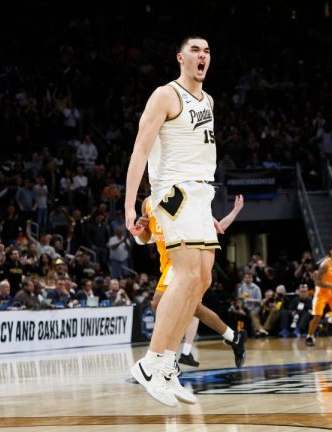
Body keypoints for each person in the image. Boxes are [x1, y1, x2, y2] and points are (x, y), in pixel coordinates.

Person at [125, 34, 221, 406]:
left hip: (200, 195)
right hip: (173, 193)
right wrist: (131, 205)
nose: (203, 56)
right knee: (183, 276)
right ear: (181, 58)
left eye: (207, 51)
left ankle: (167, 364)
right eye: (196, 50)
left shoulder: (209, 100)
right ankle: (150, 363)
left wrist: (206, 213)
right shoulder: (165, 95)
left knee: (203, 279)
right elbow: (140, 149)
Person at [135, 194, 246, 364]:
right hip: (167, 263)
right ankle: (234, 337)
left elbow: (215, 227)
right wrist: (139, 229)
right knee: (195, 309)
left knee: (157, 303)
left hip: (183, 259)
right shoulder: (147, 203)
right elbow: (145, 238)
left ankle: (164, 357)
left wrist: (232, 212)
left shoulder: (179, 196)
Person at [306, 243, 332, 347]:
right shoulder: (325, 264)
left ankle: (329, 319)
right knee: (317, 316)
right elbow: (317, 282)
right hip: (322, 293)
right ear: (331, 251)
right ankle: (310, 336)